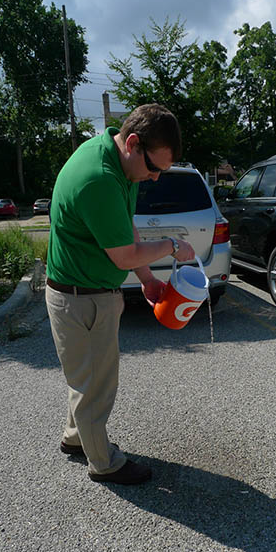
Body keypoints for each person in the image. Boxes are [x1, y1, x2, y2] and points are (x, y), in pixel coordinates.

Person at [45, 104, 195, 485]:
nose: (156, 179)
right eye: (155, 169)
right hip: (82, 298)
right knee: (96, 384)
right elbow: (125, 253)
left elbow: (124, 227)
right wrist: (173, 246)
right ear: (132, 142)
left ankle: (75, 437)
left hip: (86, 291)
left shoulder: (115, 161)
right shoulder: (98, 178)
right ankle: (104, 463)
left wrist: (145, 279)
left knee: (85, 375)